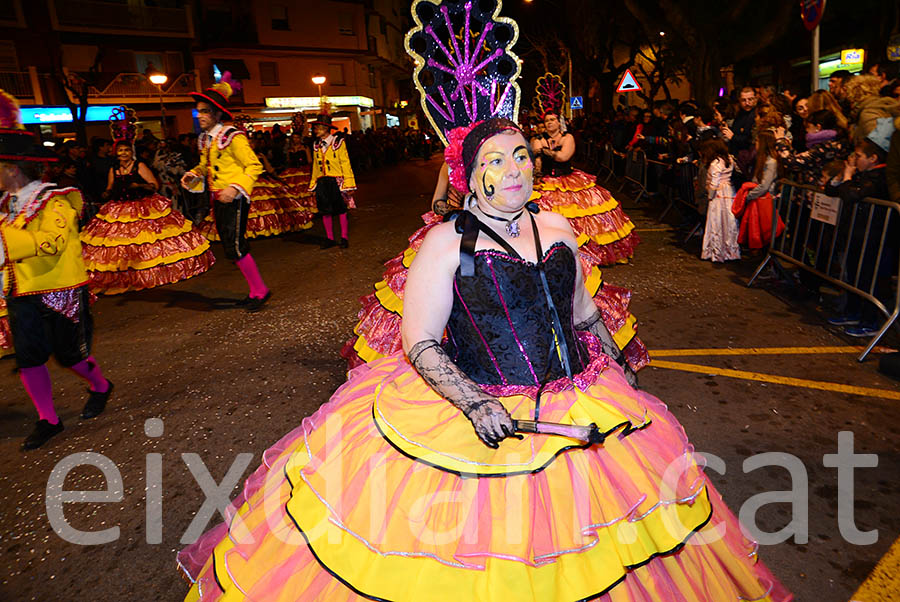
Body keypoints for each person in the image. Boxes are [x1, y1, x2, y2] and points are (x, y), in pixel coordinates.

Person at [177, 118, 790, 602]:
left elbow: (581, 311)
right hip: (477, 410)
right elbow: (419, 340)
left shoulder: (557, 227)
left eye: (522, 154)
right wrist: (473, 402)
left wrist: (618, 369)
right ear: (471, 177)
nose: (516, 168)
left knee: (608, 549)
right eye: (495, 160)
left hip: (579, 396)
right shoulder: (445, 243)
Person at [0, 90, 113, 450]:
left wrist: (6, 238)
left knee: (70, 356)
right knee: (29, 357)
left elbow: (52, 242)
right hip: (20, 291)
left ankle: (101, 386)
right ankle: (49, 419)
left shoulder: (56, 200)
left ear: (11, 169)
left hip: (61, 290)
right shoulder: (5, 205)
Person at [80, 107, 214, 295]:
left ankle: (151, 273)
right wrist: (105, 194)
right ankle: (127, 276)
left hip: (142, 206)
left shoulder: (139, 165)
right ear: (116, 153)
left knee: (147, 242)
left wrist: (139, 187)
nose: (123, 153)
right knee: (118, 245)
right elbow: (110, 188)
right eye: (120, 150)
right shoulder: (114, 169)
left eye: (126, 150)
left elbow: (154, 185)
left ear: (131, 151)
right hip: (119, 208)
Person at [181, 75, 272, 312]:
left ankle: (260, 290)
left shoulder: (233, 137)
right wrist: (193, 173)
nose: (199, 116)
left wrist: (234, 188)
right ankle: (255, 290)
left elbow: (254, 166)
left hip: (235, 199)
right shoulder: (205, 139)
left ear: (217, 114)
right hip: (217, 198)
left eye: (204, 111)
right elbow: (205, 166)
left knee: (236, 246)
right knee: (231, 247)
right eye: (198, 111)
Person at [531, 75, 639, 265]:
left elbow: (563, 156)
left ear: (559, 121)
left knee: (581, 216)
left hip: (567, 179)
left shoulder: (567, 138)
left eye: (553, 120)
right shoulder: (538, 138)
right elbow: (535, 159)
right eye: (547, 120)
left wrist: (545, 151)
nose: (549, 123)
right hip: (545, 181)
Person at [825, 119, 895, 337]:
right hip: (857, 234)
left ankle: (869, 320)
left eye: (859, 157)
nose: (854, 160)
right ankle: (852, 311)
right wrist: (840, 178)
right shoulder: (862, 175)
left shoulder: (878, 178)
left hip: (873, 237)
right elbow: (832, 191)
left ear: (873, 159)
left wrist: (847, 179)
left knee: (868, 279)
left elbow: (852, 195)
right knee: (854, 275)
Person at [308, 113, 356, 249]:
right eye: (315, 128)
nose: (315, 130)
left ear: (325, 128)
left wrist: (349, 183)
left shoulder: (338, 143)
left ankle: (344, 238)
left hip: (336, 181)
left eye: (317, 127)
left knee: (341, 209)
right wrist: (313, 185)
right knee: (325, 210)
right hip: (322, 181)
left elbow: (345, 163)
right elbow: (315, 167)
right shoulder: (316, 145)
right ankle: (330, 238)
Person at [699, 137, 740, 262]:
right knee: (729, 223)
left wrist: (710, 195)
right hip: (729, 192)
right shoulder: (730, 159)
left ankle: (716, 251)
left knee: (716, 222)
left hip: (719, 195)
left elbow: (713, 183)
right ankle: (730, 251)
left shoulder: (715, 163)